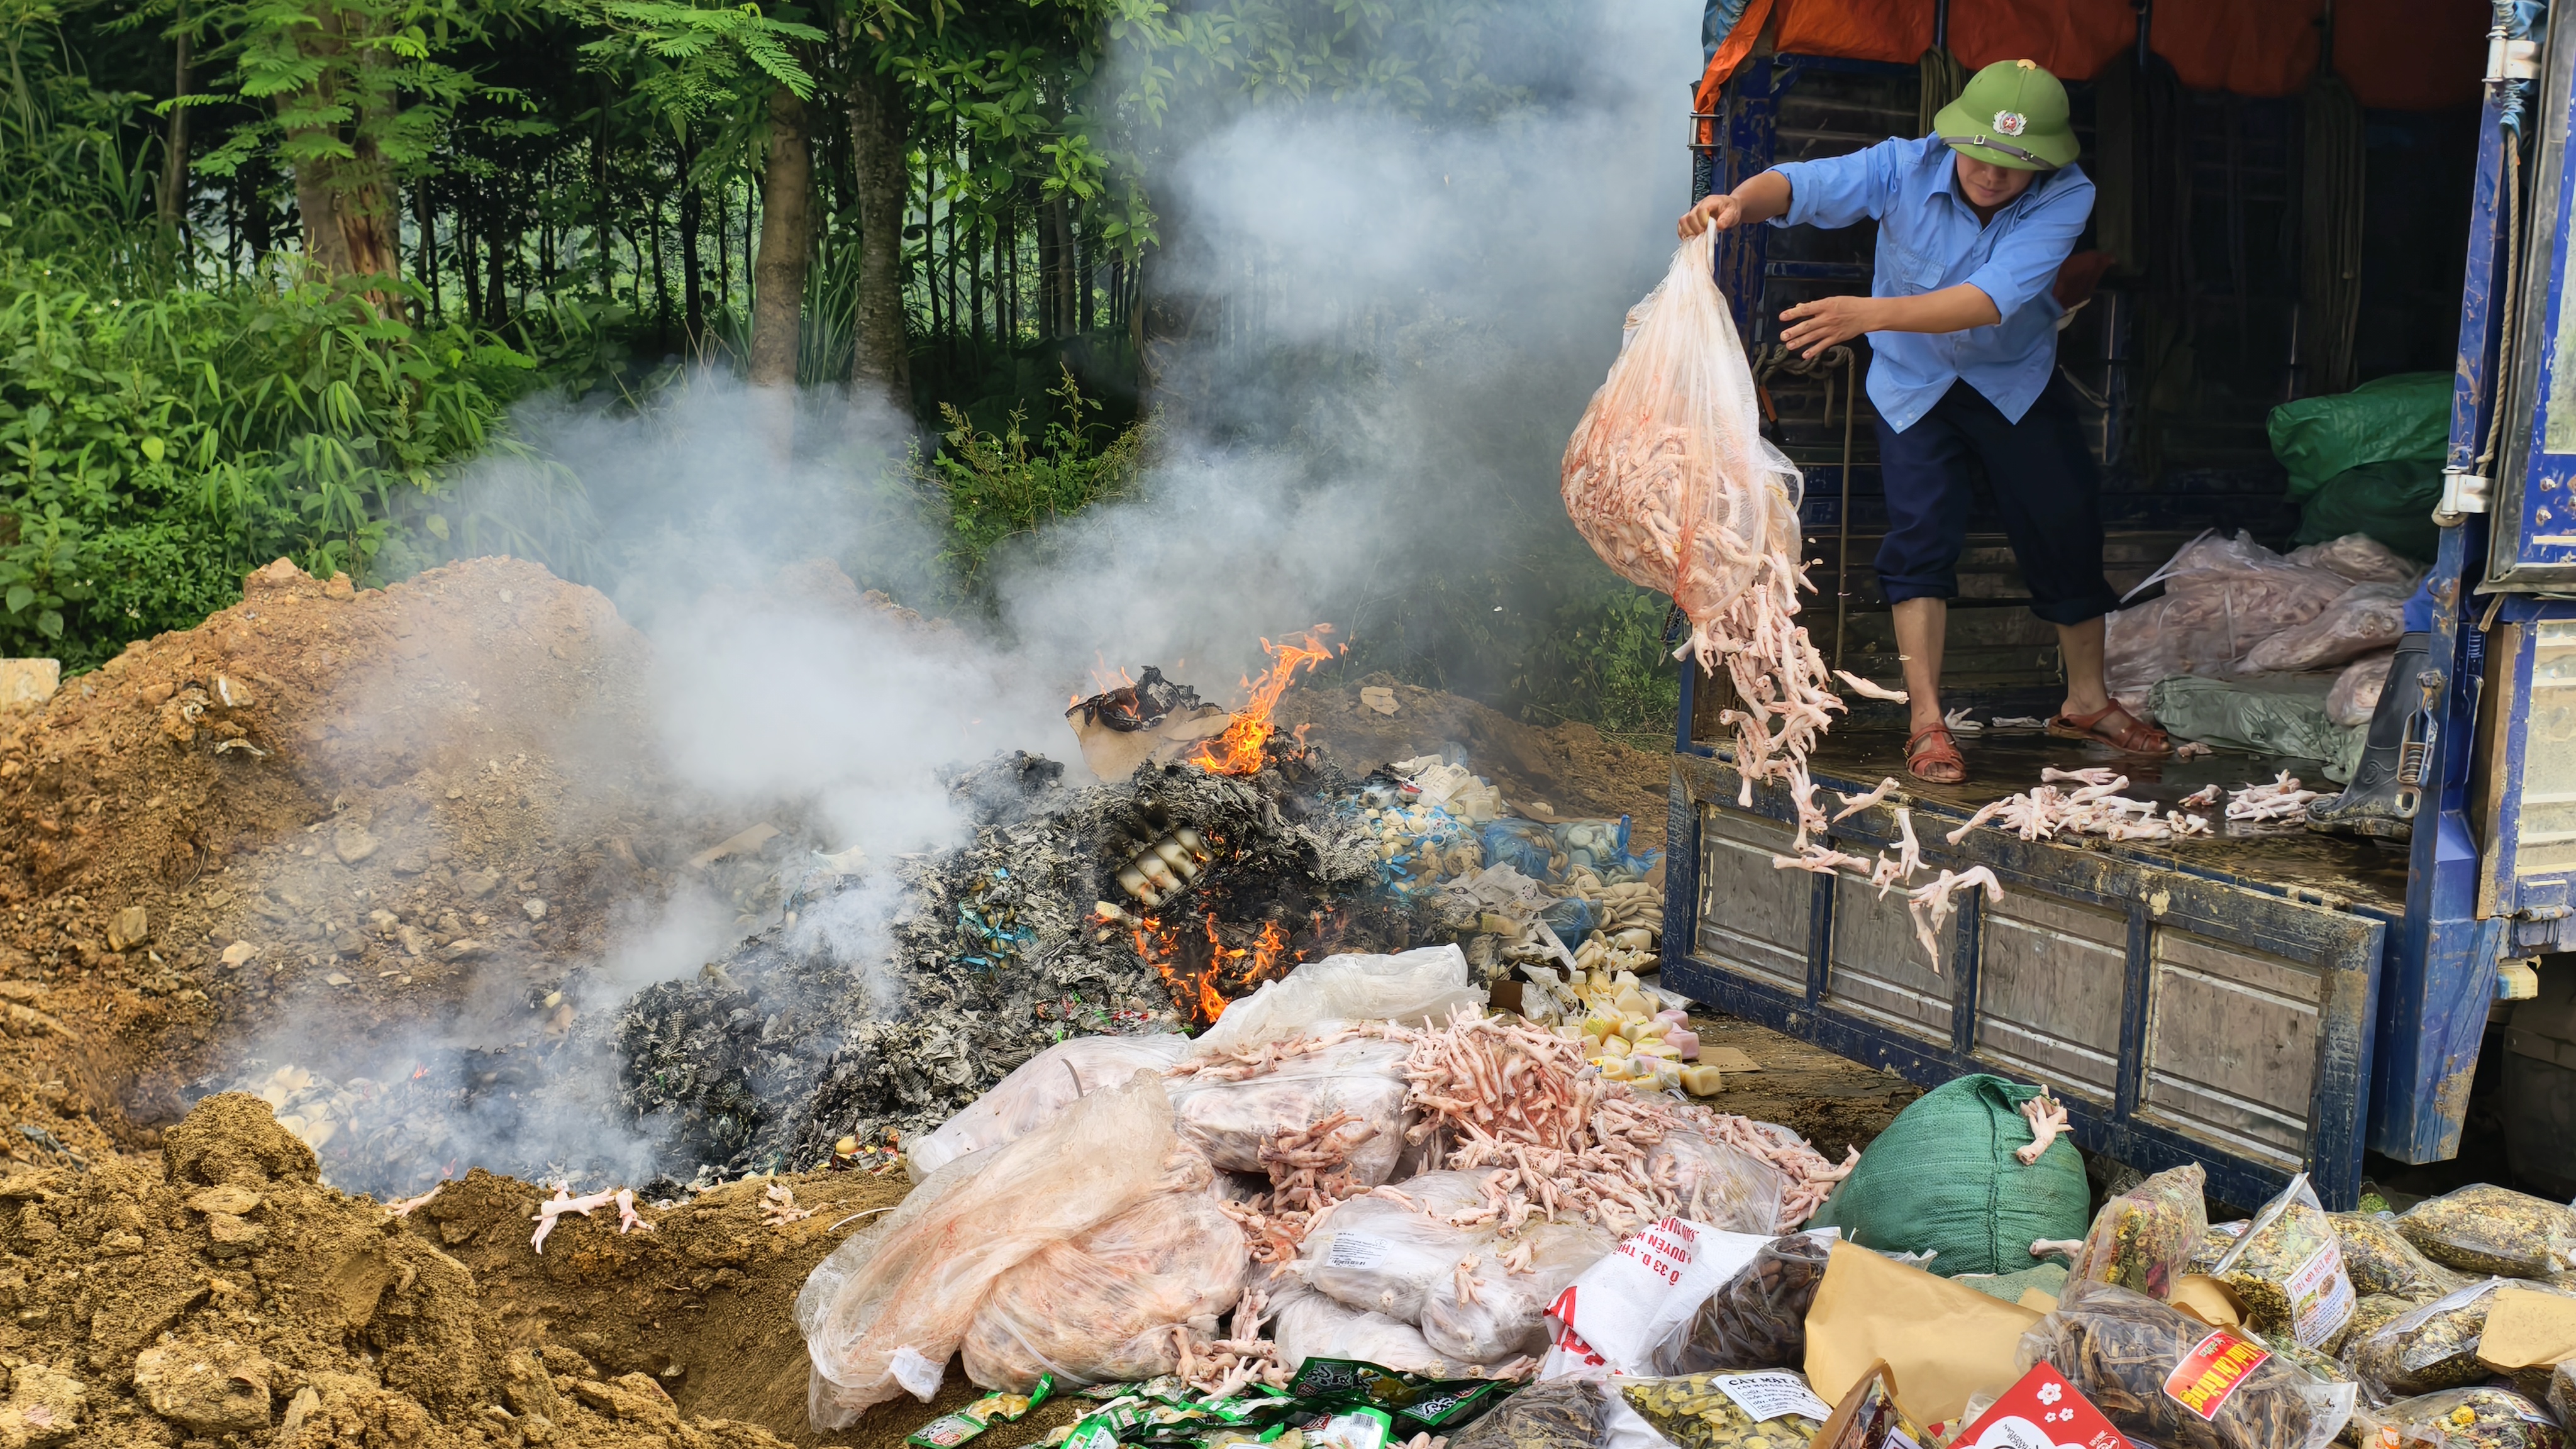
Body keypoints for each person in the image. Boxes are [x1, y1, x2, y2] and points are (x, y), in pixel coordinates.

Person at [1678, 58, 2166, 784]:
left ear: (2046, 164)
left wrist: (1863, 315)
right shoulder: (1904, 165)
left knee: (2064, 522)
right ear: (1955, 137)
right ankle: (1927, 722)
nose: (1992, 175)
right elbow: (1805, 185)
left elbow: (1988, 299)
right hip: (1914, 385)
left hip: (2013, 382)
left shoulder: (2069, 195)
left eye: (2014, 164)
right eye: (1981, 155)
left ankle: (2086, 701)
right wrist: (1741, 203)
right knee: (1920, 537)